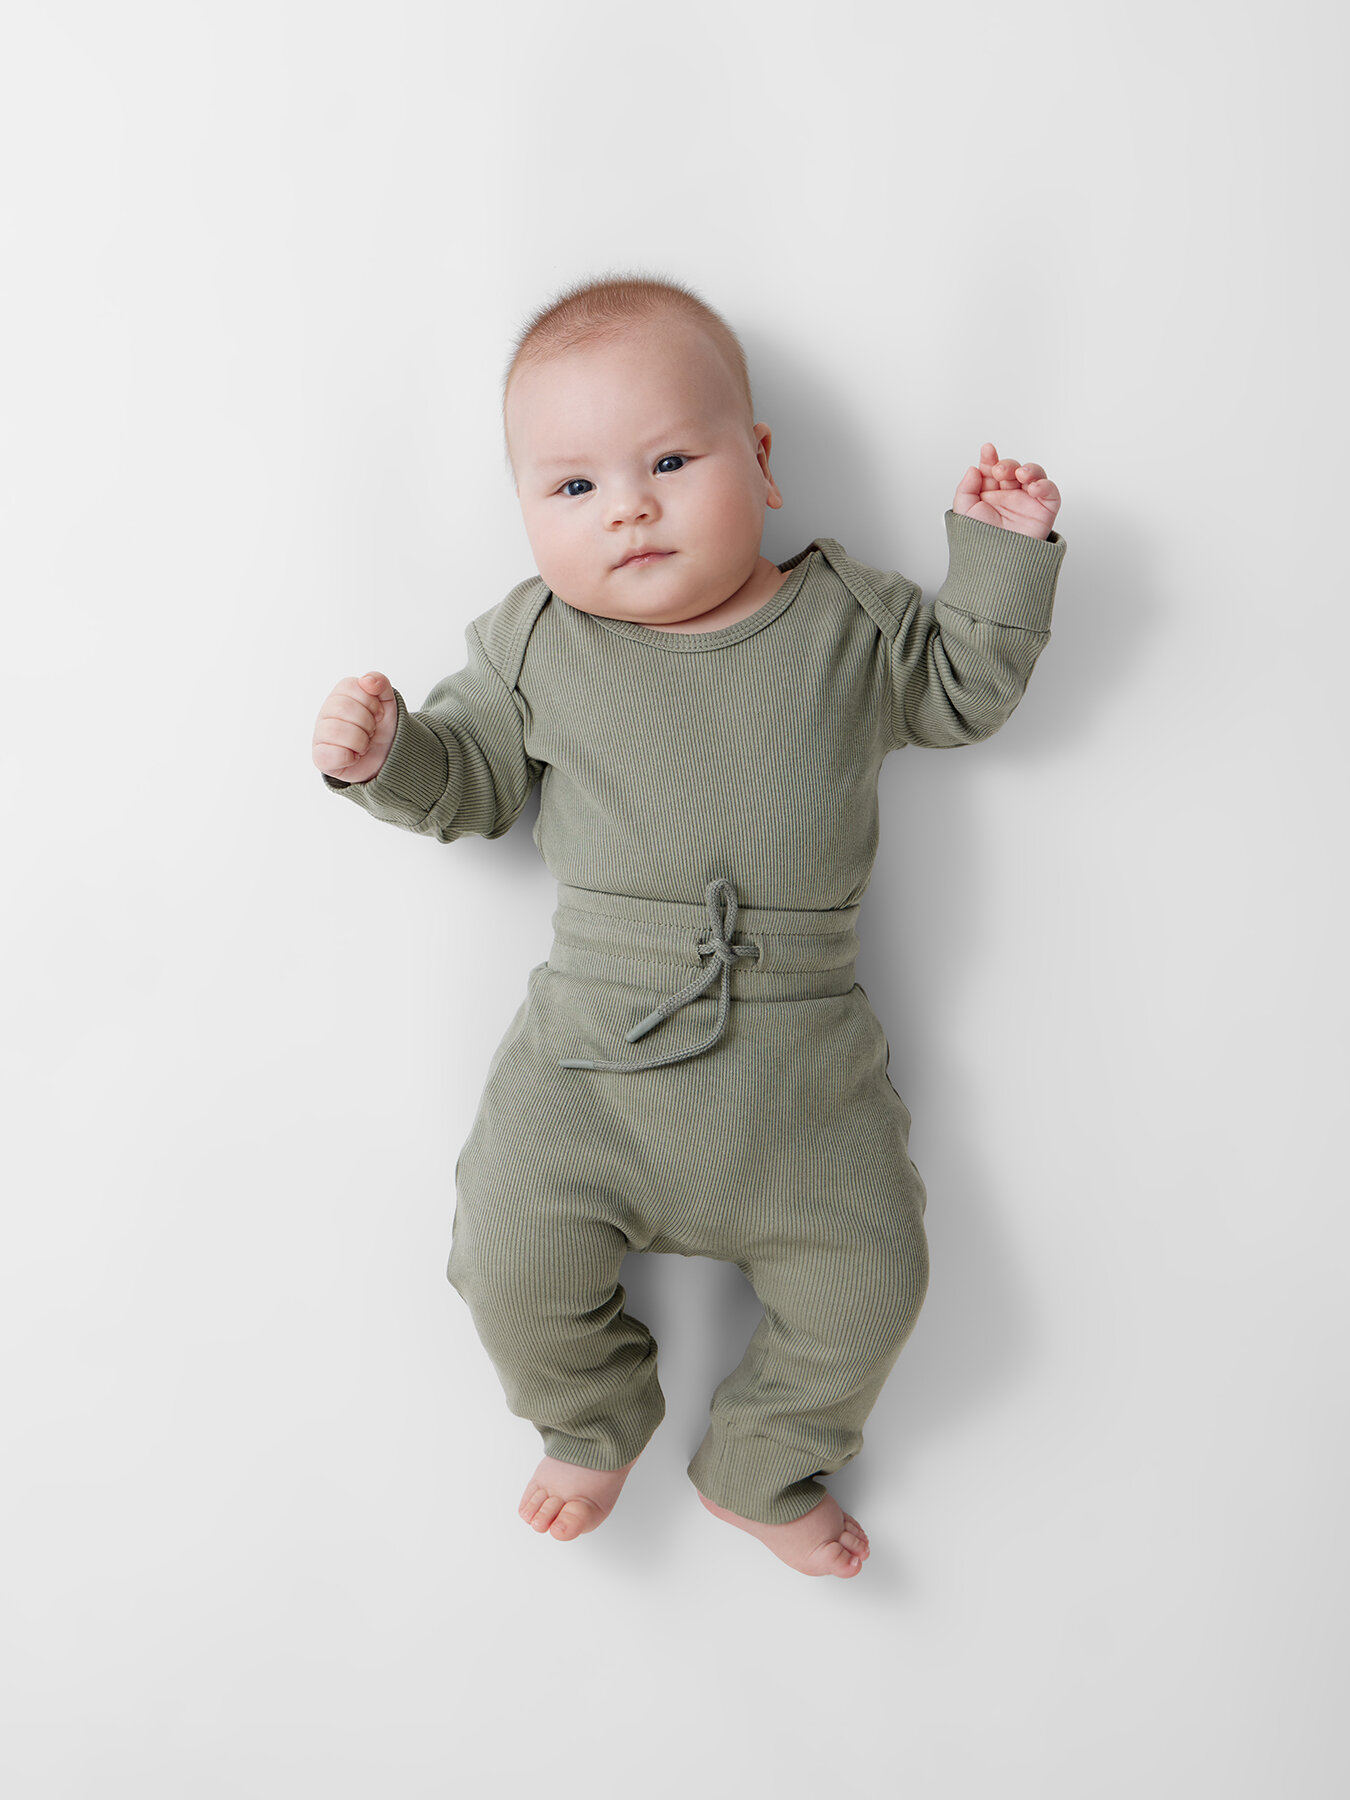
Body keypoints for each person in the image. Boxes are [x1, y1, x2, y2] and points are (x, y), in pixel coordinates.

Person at [311, 274, 1067, 1578]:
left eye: (668, 461)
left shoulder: (847, 620)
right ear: (526, 511)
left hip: (805, 1083)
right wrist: (390, 757)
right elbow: (472, 781)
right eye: (574, 485)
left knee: (875, 1279)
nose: (629, 506)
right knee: (506, 1251)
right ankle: (591, 1419)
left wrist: (996, 558)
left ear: (760, 463)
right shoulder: (537, 642)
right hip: (589, 1072)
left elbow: (961, 692)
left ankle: (764, 1459)